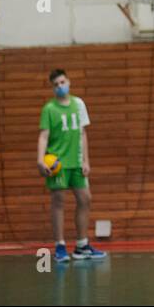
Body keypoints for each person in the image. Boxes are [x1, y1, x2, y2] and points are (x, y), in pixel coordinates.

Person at [37, 69, 106, 262]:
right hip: (57, 163)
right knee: (58, 201)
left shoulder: (79, 104)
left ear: (68, 82)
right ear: (52, 88)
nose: (60, 86)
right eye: (56, 84)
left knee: (85, 199)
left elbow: (83, 133)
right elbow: (43, 135)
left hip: (76, 162)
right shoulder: (49, 109)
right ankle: (59, 245)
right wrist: (40, 159)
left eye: (62, 82)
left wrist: (86, 160)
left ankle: (82, 245)